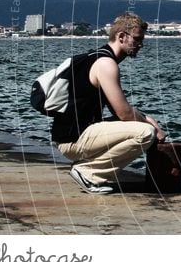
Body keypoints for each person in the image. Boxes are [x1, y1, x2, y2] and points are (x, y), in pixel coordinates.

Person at [52, 12, 166, 194]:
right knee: (146, 133)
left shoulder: (97, 57)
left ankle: (88, 165)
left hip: (69, 135)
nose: (141, 45)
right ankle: (89, 172)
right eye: (137, 39)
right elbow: (125, 114)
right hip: (73, 140)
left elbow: (121, 111)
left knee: (141, 126)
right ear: (121, 36)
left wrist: (144, 116)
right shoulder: (106, 64)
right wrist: (151, 124)